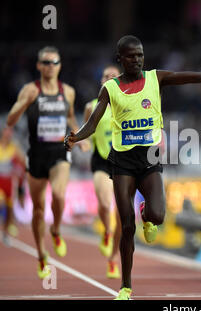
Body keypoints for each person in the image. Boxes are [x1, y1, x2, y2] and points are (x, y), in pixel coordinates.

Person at [65, 35, 201, 300]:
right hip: (122, 161)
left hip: (150, 158)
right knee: (127, 225)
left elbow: (198, 77)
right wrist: (74, 137)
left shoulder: (155, 78)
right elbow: (93, 124)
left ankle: (147, 213)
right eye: (131, 56)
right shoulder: (110, 89)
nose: (137, 60)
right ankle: (126, 287)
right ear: (120, 59)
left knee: (159, 216)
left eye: (140, 55)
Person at [6, 46, 90, 279]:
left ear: (60, 66)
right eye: (46, 62)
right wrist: (24, 103)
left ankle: (55, 230)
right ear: (39, 65)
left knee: (60, 194)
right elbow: (11, 120)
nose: (50, 67)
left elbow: (71, 116)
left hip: (59, 152)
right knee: (38, 209)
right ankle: (42, 255)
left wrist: (79, 137)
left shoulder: (68, 92)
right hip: (36, 155)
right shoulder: (30, 90)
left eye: (54, 62)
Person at [83, 64, 122, 279]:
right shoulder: (92, 106)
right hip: (101, 161)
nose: (109, 78)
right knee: (106, 204)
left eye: (113, 76)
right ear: (101, 81)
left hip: (122, 163)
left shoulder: (127, 104)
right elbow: (86, 129)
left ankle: (113, 257)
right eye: (105, 75)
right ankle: (106, 231)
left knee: (122, 216)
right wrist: (83, 142)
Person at [0, 126, 25, 244]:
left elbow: (23, 163)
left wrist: (19, 170)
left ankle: (5, 234)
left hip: (9, 183)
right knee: (1, 203)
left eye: (10, 134)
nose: (8, 136)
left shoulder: (14, 148)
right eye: (6, 134)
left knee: (9, 210)